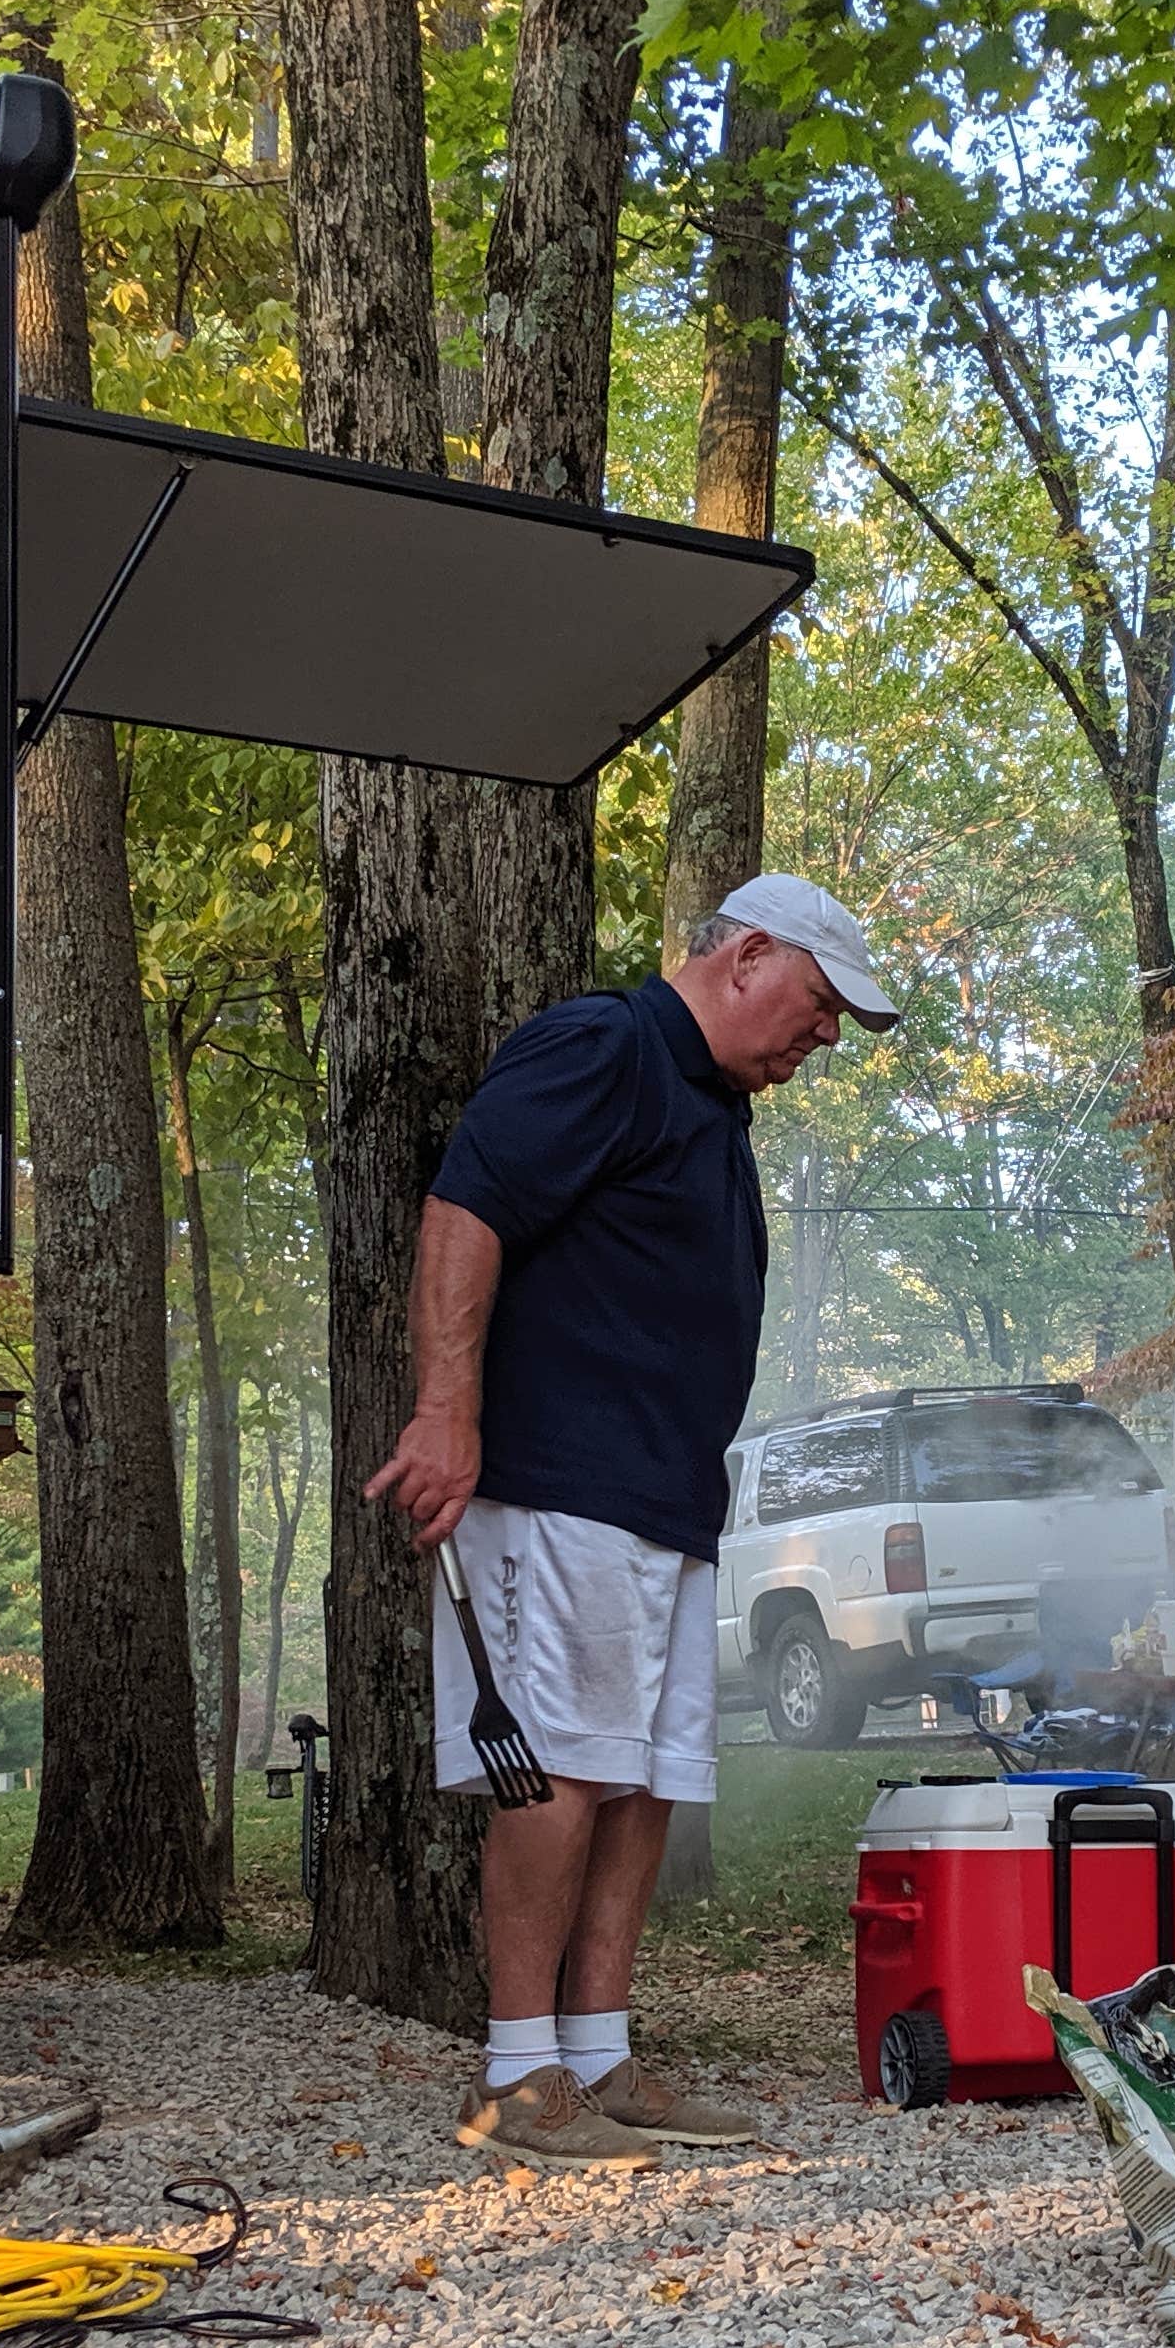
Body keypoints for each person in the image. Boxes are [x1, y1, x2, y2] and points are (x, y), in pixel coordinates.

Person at [363, 875, 896, 2170]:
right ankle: (515, 2074)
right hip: (560, 1486)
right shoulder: (606, 1045)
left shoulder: (711, 1107)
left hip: (662, 1499)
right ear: (749, 955)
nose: (822, 1037)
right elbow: (465, 1206)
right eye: (819, 1005)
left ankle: (598, 2054)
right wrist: (446, 1412)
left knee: (646, 1778)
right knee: (560, 1766)